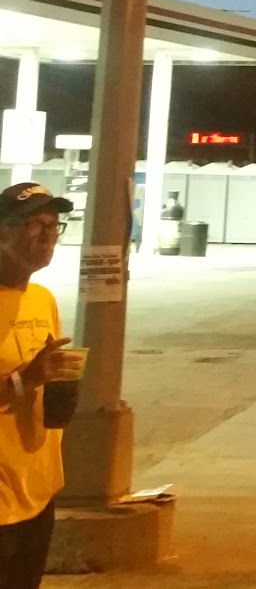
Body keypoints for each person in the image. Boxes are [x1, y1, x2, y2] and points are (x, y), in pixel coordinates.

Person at [0, 184, 73, 589]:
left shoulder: (42, 298)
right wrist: (24, 379)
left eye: (53, 224)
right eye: (34, 224)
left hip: (38, 492)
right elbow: (27, 379)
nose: (48, 234)